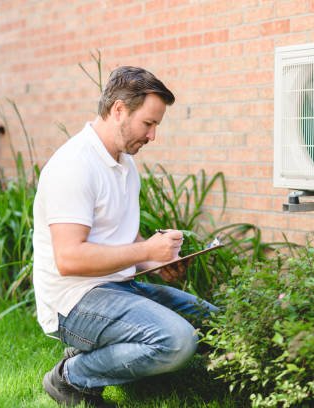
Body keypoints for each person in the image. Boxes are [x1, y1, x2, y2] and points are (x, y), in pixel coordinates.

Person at [32, 66, 217, 406]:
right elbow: (69, 258)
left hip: (118, 288)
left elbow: (122, 238)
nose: (152, 136)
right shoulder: (74, 166)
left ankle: (103, 348)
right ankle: (72, 377)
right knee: (178, 341)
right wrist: (145, 249)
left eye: (156, 125)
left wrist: (155, 259)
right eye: (149, 123)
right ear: (119, 110)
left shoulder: (123, 163)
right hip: (73, 301)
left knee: (214, 322)